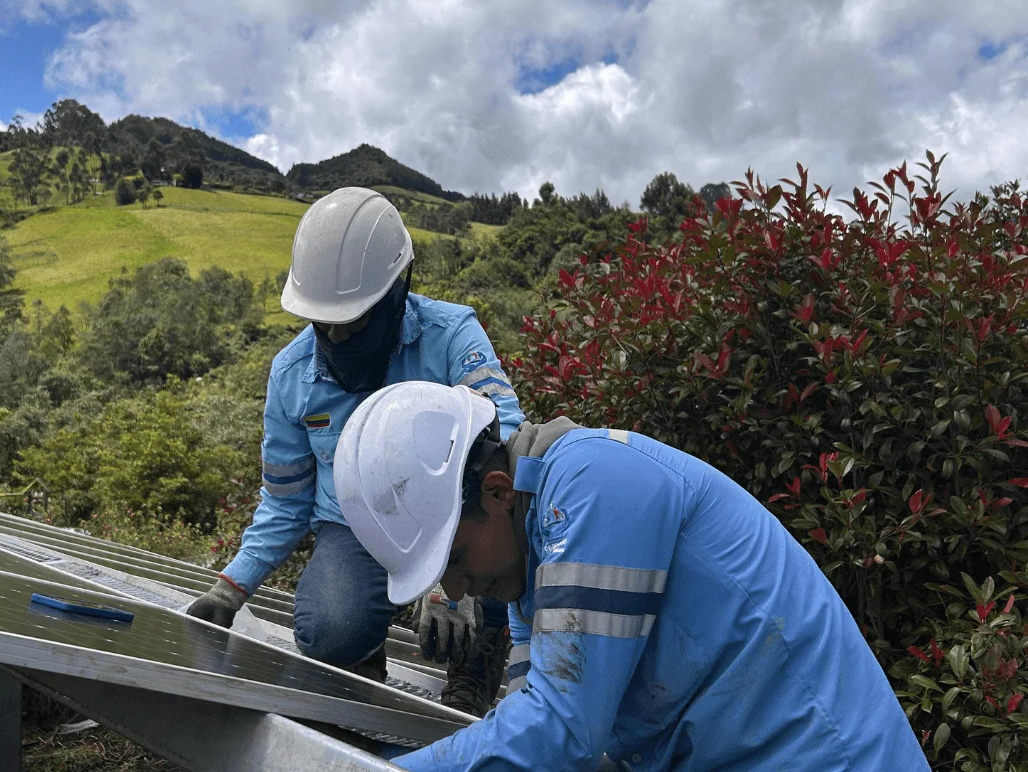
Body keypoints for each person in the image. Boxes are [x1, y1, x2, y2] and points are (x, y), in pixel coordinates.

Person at [333, 382, 930, 771]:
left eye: (455, 561)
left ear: (495, 493)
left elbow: (558, 731)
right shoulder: (531, 563)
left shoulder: (592, 486)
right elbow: (526, 728)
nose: (457, 592)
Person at [186, 187, 525, 716]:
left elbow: (507, 440)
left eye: (355, 320)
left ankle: (478, 654)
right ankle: (363, 656)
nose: (338, 336)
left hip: (457, 515)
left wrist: (449, 584)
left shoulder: (451, 335)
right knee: (329, 630)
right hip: (355, 527)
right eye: (325, 324)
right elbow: (285, 502)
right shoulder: (293, 376)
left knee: (506, 528)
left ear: (395, 292)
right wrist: (231, 588)